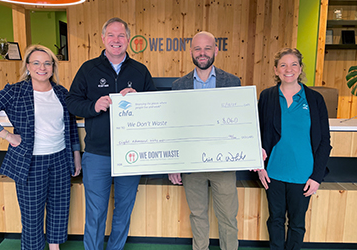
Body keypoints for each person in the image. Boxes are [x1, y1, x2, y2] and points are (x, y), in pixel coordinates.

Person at [0, 44, 82, 250]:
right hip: (30, 162)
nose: (42, 67)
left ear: (53, 67)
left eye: (47, 63)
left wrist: (75, 154)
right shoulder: (14, 91)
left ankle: (54, 247)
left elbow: (71, 125)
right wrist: (7, 135)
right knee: (32, 213)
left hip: (59, 159)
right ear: (28, 66)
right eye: (36, 63)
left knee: (59, 207)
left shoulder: (61, 92)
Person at [66, 17, 156, 250]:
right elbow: (72, 103)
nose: (116, 40)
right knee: (95, 211)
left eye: (121, 36)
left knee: (124, 209)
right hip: (97, 154)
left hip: (131, 154)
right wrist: (93, 107)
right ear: (103, 38)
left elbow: (155, 109)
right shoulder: (88, 69)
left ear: (128, 40)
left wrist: (139, 101)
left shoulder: (140, 71)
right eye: (112, 35)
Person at [168, 31, 240, 250]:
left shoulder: (233, 82)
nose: (202, 53)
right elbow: (174, 128)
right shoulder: (179, 86)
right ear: (191, 52)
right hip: (192, 165)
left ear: (216, 51)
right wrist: (173, 163)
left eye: (207, 48)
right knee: (197, 215)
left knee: (228, 217)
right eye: (197, 48)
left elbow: (240, 123)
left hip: (224, 163)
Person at [257, 48, 331, 250]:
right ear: (275, 69)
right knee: (275, 221)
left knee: (297, 225)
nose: (288, 69)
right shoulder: (267, 97)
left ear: (300, 69)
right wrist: (259, 166)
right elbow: (256, 135)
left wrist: (316, 177)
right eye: (283, 65)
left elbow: (325, 141)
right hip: (273, 173)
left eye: (293, 64)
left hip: (304, 175)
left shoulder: (315, 100)